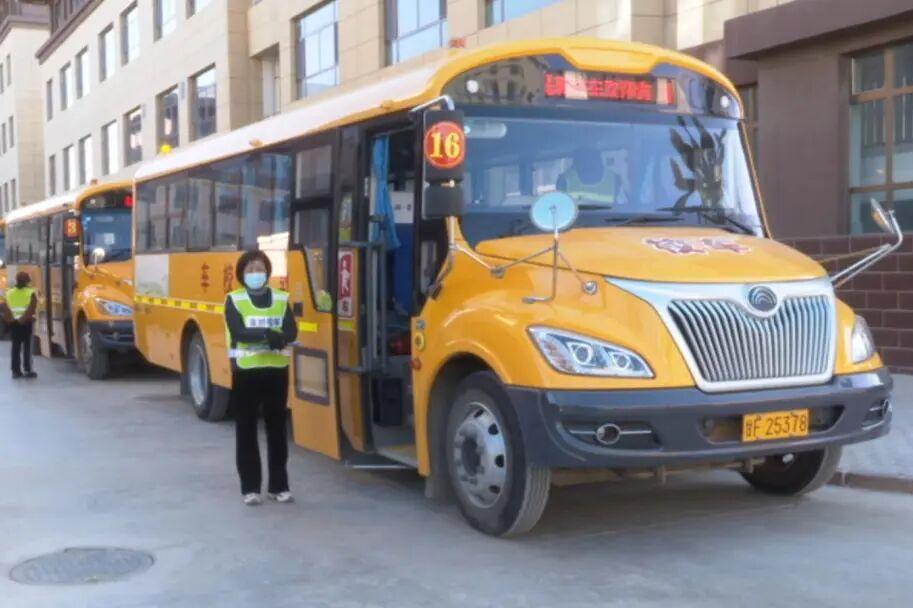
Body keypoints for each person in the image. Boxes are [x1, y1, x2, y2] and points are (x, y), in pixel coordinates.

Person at [224, 250, 297, 506]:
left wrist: (281, 336)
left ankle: (279, 486)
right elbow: (238, 331)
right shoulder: (234, 300)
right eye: (250, 270)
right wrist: (268, 334)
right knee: (246, 429)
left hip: (276, 370)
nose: (256, 274)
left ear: (267, 272)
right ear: (242, 274)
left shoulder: (281, 298)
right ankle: (250, 488)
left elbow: (291, 330)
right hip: (246, 371)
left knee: (277, 430)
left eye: (260, 269)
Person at [1, 272, 38, 379]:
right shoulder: (30, 293)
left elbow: (5, 307)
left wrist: (11, 319)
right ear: (26, 282)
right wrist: (23, 319)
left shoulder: (9, 293)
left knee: (15, 348)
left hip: (14, 324)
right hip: (26, 323)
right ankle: (28, 369)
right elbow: (31, 308)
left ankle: (15, 371)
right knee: (27, 348)